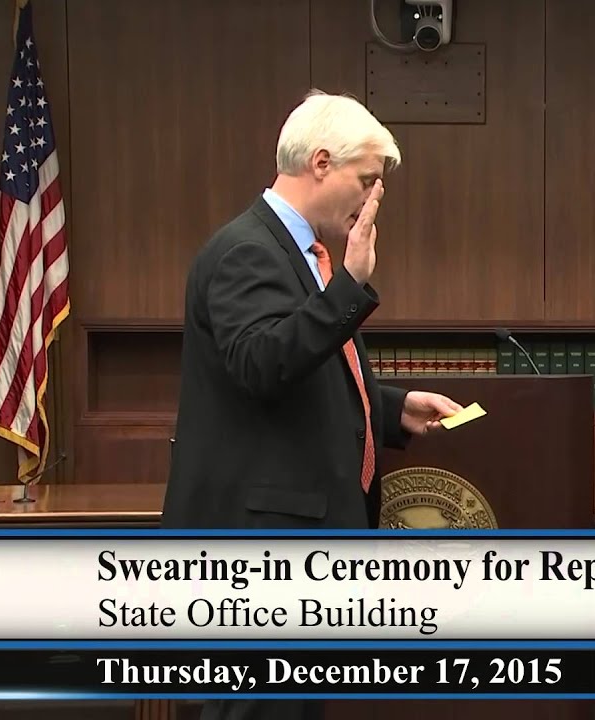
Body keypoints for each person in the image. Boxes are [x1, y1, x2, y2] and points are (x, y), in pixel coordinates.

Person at [162, 90, 463, 720]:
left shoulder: (297, 253)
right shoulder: (249, 251)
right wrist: (348, 288)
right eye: (368, 180)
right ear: (321, 163)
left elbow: (300, 377)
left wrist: (390, 409)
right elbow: (260, 365)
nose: (373, 198)